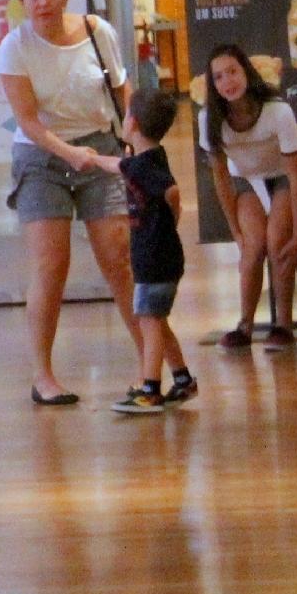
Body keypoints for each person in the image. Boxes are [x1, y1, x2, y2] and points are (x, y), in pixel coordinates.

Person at [0, 0, 140, 406]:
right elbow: (28, 121)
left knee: (119, 258)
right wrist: (70, 154)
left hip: (100, 150)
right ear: (22, 1)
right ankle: (43, 376)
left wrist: (134, 142)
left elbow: (123, 90)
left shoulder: (98, 32)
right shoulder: (15, 47)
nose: (43, 2)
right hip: (41, 159)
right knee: (51, 266)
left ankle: (150, 364)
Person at [82, 88, 195, 415]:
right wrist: (93, 158)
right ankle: (183, 379)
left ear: (131, 122)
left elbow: (171, 191)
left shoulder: (145, 166)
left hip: (155, 258)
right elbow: (120, 165)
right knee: (156, 320)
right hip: (158, 258)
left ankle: (150, 389)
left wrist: (170, 219)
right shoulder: (146, 160)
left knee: (148, 322)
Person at [199, 44, 297, 351]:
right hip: (246, 179)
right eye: (219, 77)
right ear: (213, 85)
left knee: (278, 242)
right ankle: (244, 326)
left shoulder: (277, 111)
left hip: (283, 176)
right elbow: (221, 178)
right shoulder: (208, 119)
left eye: (232, 71)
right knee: (252, 246)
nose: (228, 82)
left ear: (246, 71)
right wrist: (235, 231)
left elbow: (295, 174)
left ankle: (283, 325)